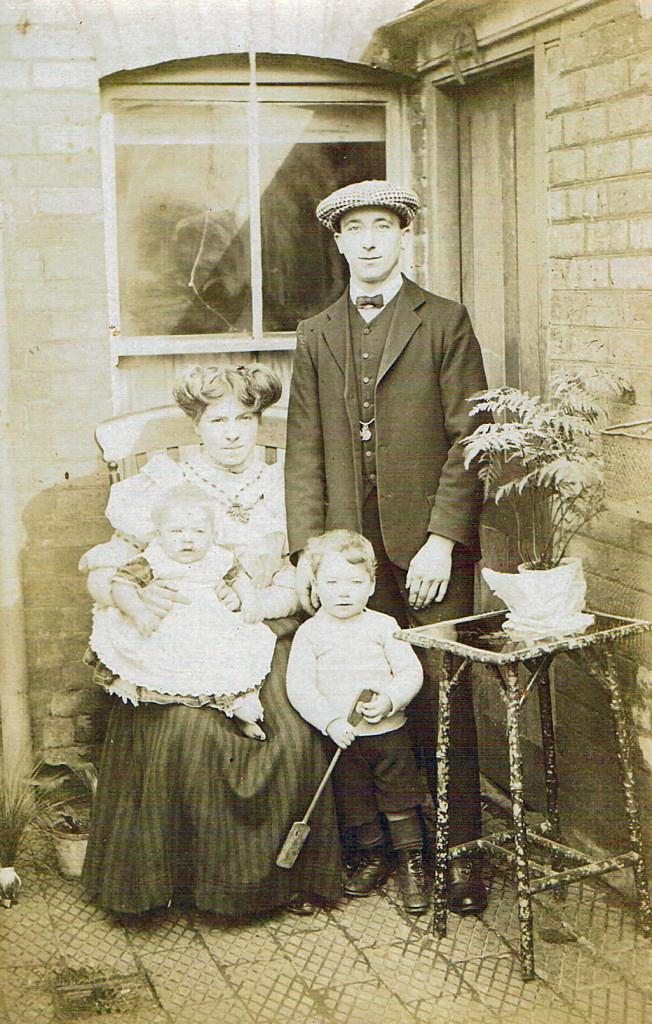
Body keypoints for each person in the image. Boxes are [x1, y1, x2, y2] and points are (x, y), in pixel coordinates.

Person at [284, 180, 490, 915]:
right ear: (338, 242)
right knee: (350, 695)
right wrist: (311, 553)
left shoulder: (444, 321)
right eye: (356, 230)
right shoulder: (315, 333)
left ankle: (459, 854)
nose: (369, 241)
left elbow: (473, 440)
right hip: (347, 557)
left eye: (384, 227)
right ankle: (374, 847)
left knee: (442, 695)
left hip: (429, 550)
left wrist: (442, 539)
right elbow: (303, 448)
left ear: (405, 237)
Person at [80, 363, 342, 918]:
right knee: (187, 734)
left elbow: (307, 582)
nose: (232, 432)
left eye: (244, 418)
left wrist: (260, 603)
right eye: (217, 419)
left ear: (257, 422)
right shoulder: (161, 484)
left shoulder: (282, 484)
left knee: (290, 738)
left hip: (262, 632)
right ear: (195, 424)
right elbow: (108, 565)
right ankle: (179, 885)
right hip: (179, 641)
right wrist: (124, 595)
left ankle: (275, 885)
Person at [286, 530, 429, 915]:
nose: (343, 592)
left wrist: (389, 700)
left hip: (388, 735)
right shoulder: (310, 633)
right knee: (355, 801)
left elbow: (409, 672)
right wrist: (330, 721)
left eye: (354, 582)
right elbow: (300, 687)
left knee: (399, 799)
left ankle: (410, 863)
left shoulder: (383, 626)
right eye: (331, 583)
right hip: (344, 741)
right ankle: (372, 858)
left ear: (371, 585)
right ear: (315, 586)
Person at [88, 483, 277, 741]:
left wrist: (250, 601)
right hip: (170, 623)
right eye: (176, 531)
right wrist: (139, 612)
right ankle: (226, 704)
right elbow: (121, 585)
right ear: (159, 533)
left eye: (199, 531)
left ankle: (239, 703)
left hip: (212, 622)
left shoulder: (218, 556)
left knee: (242, 647)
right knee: (176, 661)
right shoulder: (154, 558)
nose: (188, 539)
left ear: (212, 533)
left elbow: (238, 577)